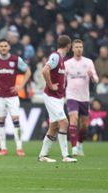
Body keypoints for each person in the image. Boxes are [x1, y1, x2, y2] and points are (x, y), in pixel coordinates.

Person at [0, 39, 31, 156]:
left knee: (15, 120)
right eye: (1, 46)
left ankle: (19, 148)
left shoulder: (16, 59)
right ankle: (3, 148)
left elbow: (28, 71)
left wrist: (21, 86)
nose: (3, 48)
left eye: (5, 46)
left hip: (12, 96)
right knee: (0, 120)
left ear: (9, 47)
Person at [38, 35, 77, 163]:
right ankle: (65, 155)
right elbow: (45, 70)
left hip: (58, 97)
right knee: (64, 123)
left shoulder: (61, 58)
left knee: (54, 126)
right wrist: (50, 85)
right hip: (51, 96)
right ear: (69, 45)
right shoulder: (55, 57)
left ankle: (43, 155)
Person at [65, 39, 99, 156]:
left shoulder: (88, 62)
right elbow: (62, 79)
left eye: (81, 47)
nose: (79, 49)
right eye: (77, 47)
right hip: (71, 96)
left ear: (82, 48)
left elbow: (96, 79)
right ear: (73, 49)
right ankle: (74, 148)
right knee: (73, 119)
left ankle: (79, 144)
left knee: (84, 125)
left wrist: (92, 77)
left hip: (84, 98)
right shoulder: (67, 63)